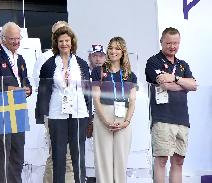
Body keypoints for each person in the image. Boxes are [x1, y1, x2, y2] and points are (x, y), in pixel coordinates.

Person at [35, 26, 92, 183]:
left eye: (67, 40)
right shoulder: (48, 64)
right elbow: (43, 91)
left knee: (78, 154)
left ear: (72, 42)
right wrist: (41, 115)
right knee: (58, 155)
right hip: (57, 113)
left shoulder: (81, 63)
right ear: (56, 43)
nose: (64, 44)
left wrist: (90, 115)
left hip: (79, 112)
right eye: (61, 41)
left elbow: (87, 90)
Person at [145, 27, 197, 183]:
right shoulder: (153, 61)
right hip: (162, 118)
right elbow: (164, 84)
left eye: (176, 43)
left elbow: (194, 85)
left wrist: (174, 79)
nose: (172, 46)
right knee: (161, 160)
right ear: (161, 41)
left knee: (179, 162)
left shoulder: (183, 65)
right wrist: (183, 84)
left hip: (182, 119)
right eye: (169, 43)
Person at [0, 22, 32, 183]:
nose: (16, 42)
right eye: (12, 39)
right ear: (3, 39)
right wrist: (9, 88)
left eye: (18, 38)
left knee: (18, 154)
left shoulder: (21, 58)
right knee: (2, 155)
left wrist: (28, 89)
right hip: (0, 109)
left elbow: (25, 81)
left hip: (18, 108)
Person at [33, 21, 75, 183]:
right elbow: (39, 85)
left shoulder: (75, 59)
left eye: (66, 33)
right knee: (56, 154)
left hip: (72, 112)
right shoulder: (45, 58)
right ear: (53, 37)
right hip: (53, 112)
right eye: (59, 34)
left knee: (71, 155)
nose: (63, 38)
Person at [91, 37, 137, 183]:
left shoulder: (130, 74)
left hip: (123, 117)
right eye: (110, 48)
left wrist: (127, 121)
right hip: (103, 115)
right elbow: (96, 99)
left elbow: (132, 101)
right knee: (103, 158)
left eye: (117, 48)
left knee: (121, 159)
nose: (113, 51)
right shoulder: (99, 71)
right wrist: (104, 120)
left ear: (123, 52)